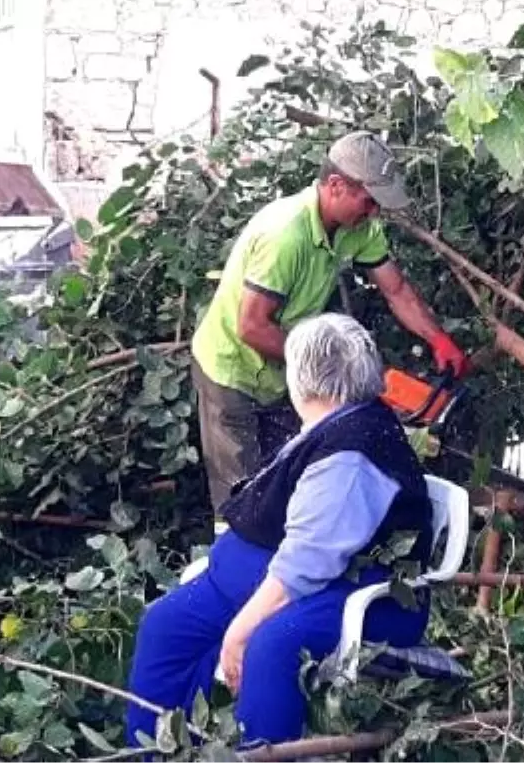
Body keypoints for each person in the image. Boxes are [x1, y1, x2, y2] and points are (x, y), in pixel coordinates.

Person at [126, 313, 436, 748]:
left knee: (272, 644)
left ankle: (258, 754)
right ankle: (159, 752)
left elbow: (310, 560)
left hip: (359, 594)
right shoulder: (333, 423)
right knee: (163, 625)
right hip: (262, 583)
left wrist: (240, 630)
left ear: (306, 379)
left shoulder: (351, 453)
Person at [190, 130, 470, 512]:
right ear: (336, 185)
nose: (373, 213)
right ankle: (234, 564)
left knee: (288, 476)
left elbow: (396, 290)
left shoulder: (360, 229)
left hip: (282, 371)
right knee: (241, 498)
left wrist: (437, 338)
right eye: (368, 201)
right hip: (231, 371)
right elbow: (253, 327)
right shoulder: (285, 236)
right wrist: (329, 370)